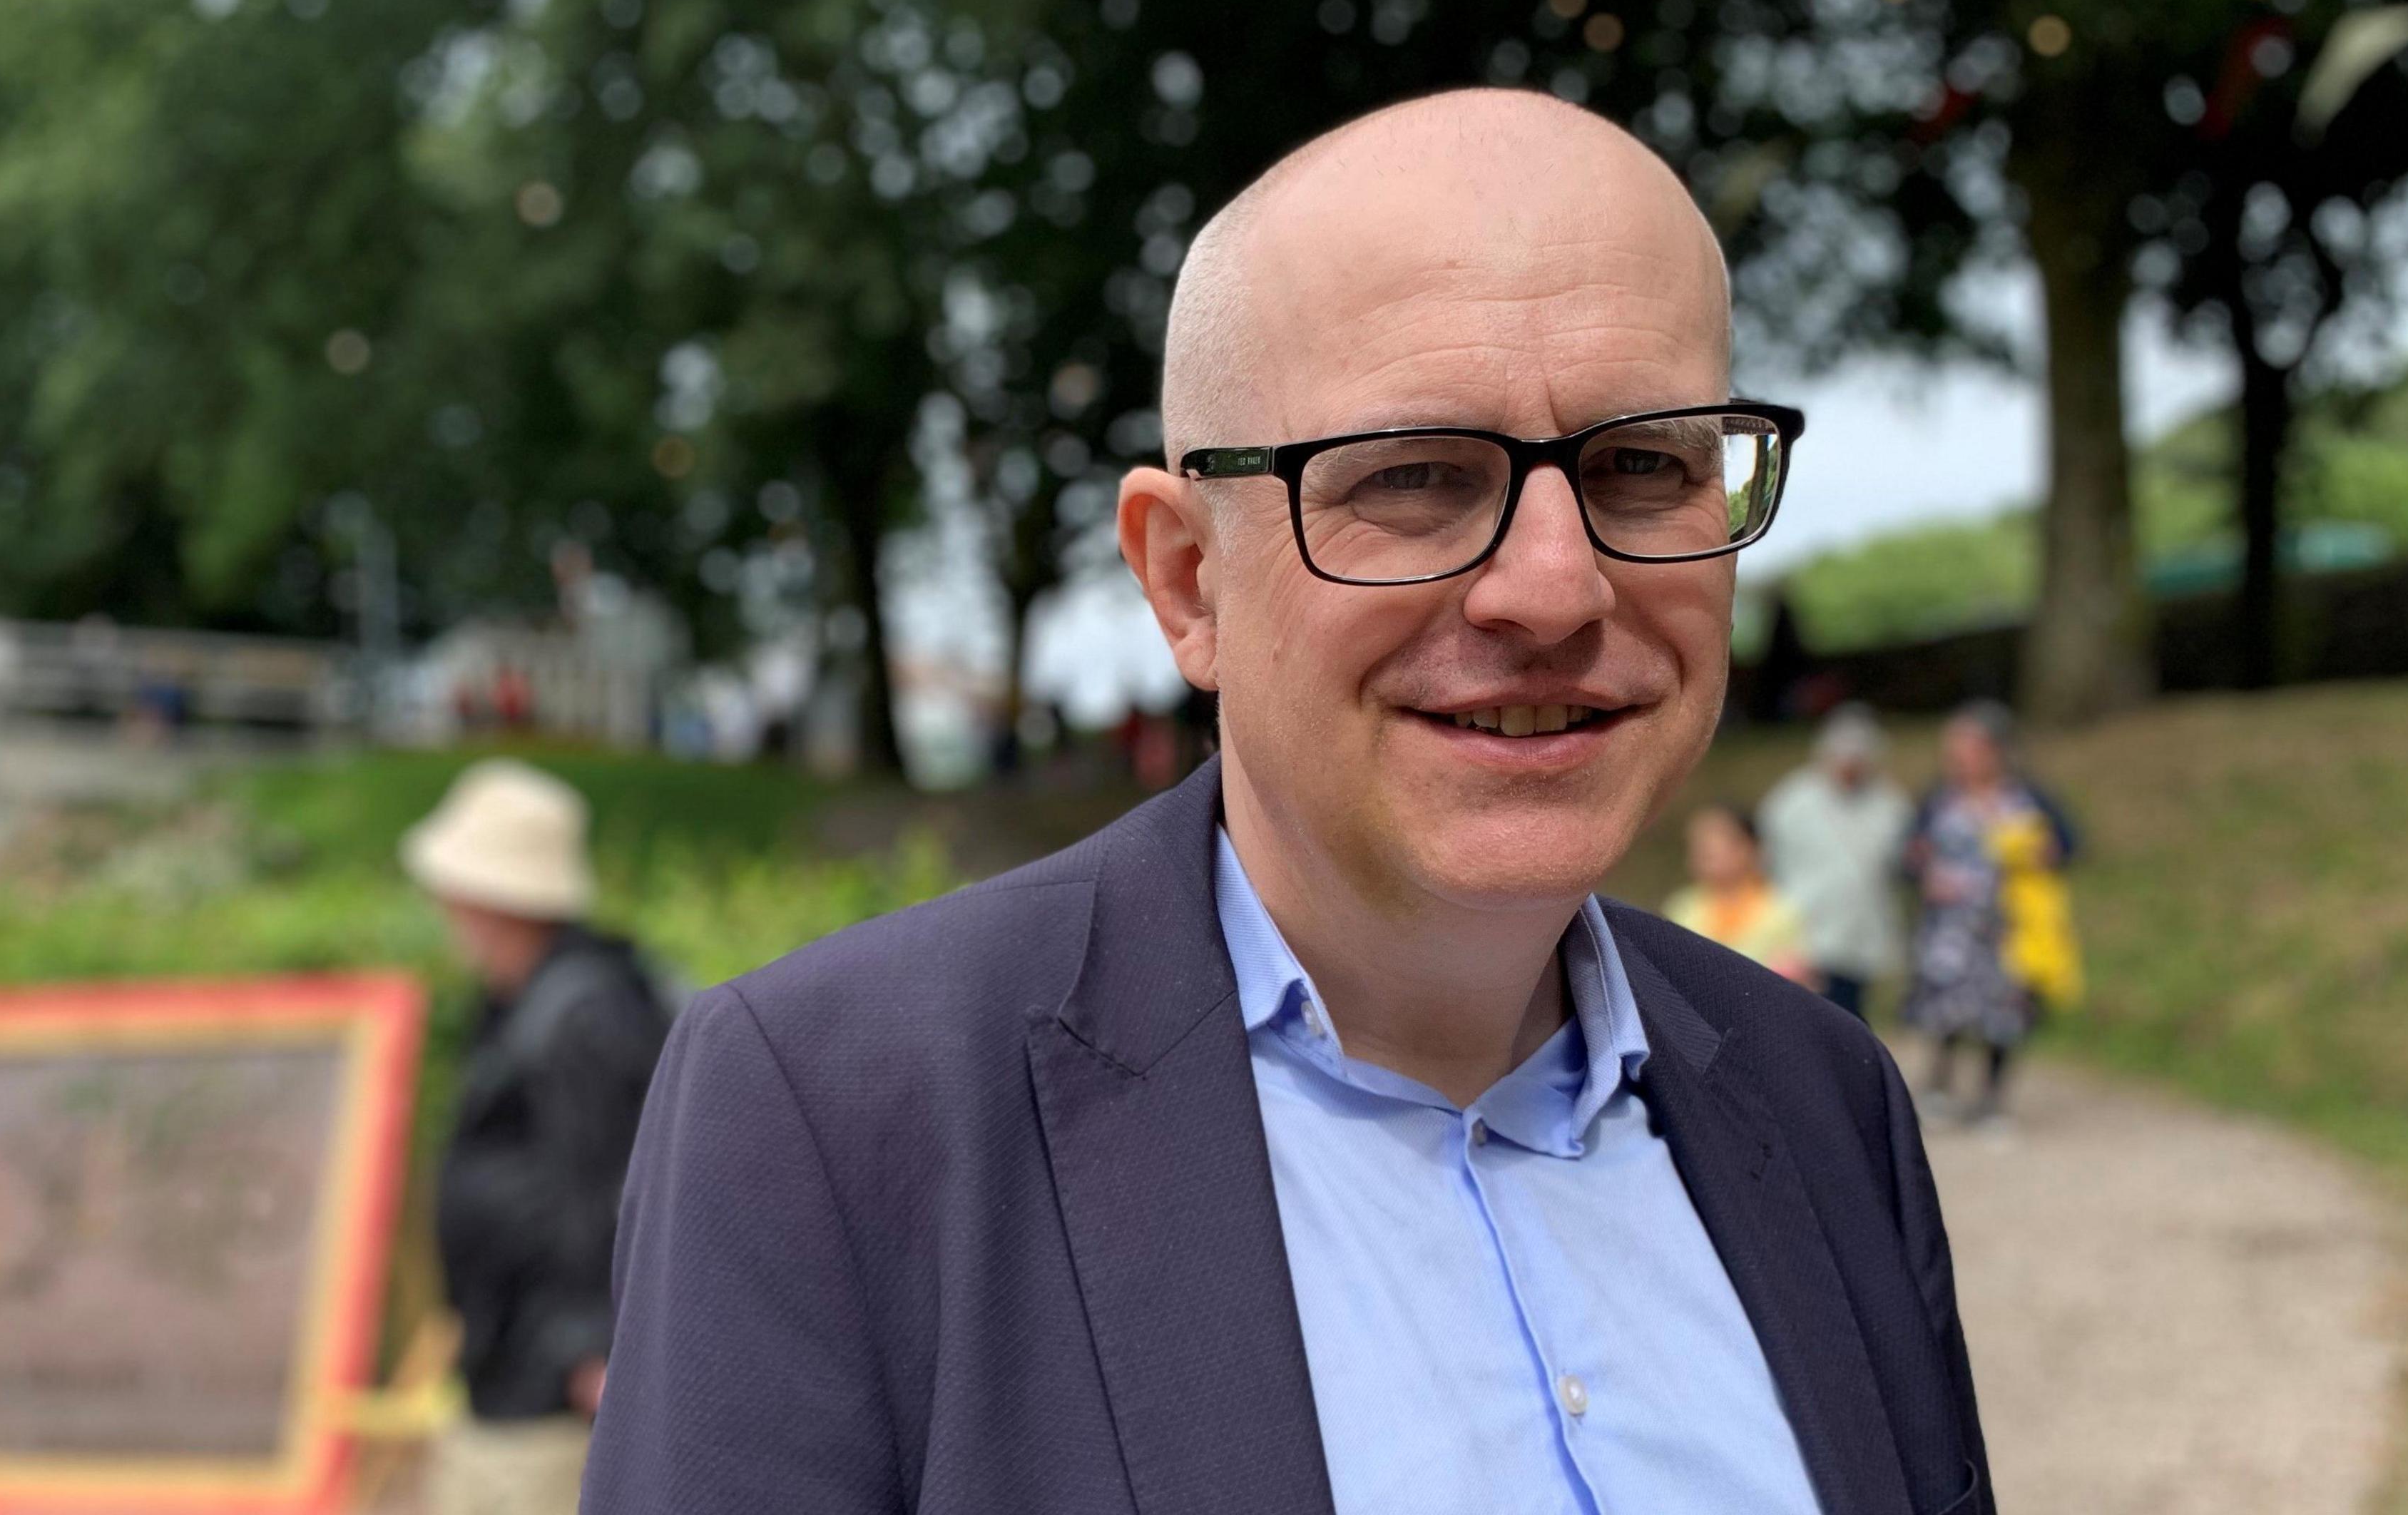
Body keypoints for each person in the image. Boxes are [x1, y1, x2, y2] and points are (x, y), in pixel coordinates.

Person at [584, 91, 1989, 1515]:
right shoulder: (839, 1117)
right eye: (1419, 478)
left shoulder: (1823, 1100)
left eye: (1644, 465)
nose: (1558, 587)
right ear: (1188, 581)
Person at [402, 760, 668, 1515]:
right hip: (505, 1363)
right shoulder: (522, 1003)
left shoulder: (585, 1012)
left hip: (553, 1387)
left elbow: (616, 1185)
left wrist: (599, 1347)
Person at [1905, 700, 2082, 1126]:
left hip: (2009, 928)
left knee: (2005, 1014)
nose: (1957, 760)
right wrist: (1922, 870)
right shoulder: (1939, 800)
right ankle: (1938, 1088)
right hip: (1952, 930)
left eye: (1966, 749)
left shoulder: (2026, 799)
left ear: (1995, 751)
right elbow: (1908, 853)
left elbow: (2069, 843)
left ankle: (1991, 1099)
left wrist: (2046, 853)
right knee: (1946, 1008)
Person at [1760, 703, 1914, 1021]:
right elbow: (1768, 856)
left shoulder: (1890, 805)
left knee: (1851, 1013)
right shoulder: (1793, 800)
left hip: (1861, 928)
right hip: (1805, 925)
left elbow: (1900, 862)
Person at [1665, 805, 1816, 986]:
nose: (1706, 847)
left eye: (1720, 836)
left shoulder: (1781, 911)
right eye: (1698, 841)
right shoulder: (1681, 907)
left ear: (1751, 848)